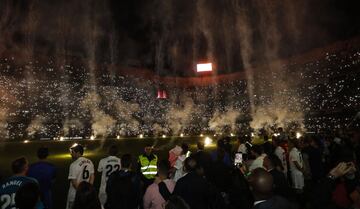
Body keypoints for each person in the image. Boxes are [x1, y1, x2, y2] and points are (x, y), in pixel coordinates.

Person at [66, 144, 95, 209]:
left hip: (74, 195)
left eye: (73, 152)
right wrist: (88, 191)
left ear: (78, 153)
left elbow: (74, 182)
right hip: (87, 195)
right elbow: (92, 177)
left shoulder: (73, 164)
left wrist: (80, 192)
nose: (71, 154)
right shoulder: (90, 162)